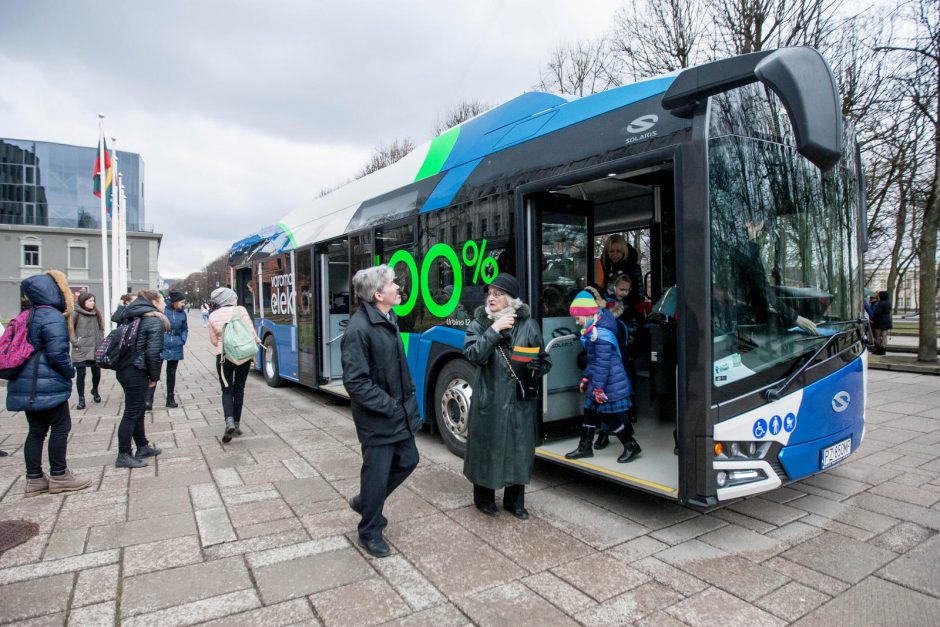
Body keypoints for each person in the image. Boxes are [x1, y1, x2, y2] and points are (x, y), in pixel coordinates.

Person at [341, 265, 421, 558]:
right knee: (376, 475)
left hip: (397, 412)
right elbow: (356, 382)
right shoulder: (359, 329)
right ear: (378, 294)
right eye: (392, 284)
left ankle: (366, 501)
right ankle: (369, 531)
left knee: (409, 459)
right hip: (379, 417)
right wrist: (389, 405)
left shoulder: (388, 318)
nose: (398, 287)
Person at [463, 273, 550, 520]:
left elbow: (544, 360)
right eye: (489, 293)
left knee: (518, 450)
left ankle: (515, 501)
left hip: (519, 400)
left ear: (511, 299)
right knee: (487, 448)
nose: (491, 298)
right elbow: (473, 355)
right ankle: (484, 498)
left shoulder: (529, 325)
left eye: (497, 294)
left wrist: (538, 365)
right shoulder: (479, 324)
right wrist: (494, 330)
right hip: (489, 399)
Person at [7, 270, 91, 496]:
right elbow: (57, 353)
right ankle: (60, 475)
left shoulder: (26, 314)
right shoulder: (52, 316)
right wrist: (69, 370)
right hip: (46, 381)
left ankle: (34, 479)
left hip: (25, 382)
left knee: (35, 431)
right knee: (60, 427)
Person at [565, 290, 641, 463]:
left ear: (586, 314)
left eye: (578, 318)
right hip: (600, 381)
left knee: (609, 417)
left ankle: (630, 445)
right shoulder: (594, 330)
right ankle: (585, 447)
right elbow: (594, 361)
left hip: (608, 383)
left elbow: (603, 365)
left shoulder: (600, 335)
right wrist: (586, 378)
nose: (576, 322)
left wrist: (597, 388)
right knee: (589, 412)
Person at [114, 290, 167, 468]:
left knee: (137, 411)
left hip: (124, 368)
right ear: (154, 302)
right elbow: (153, 353)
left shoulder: (131, 316)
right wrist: (154, 377)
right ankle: (123, 454)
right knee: (131, 412)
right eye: (162, 301)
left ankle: (142, 446)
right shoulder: (153, 321)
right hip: (136, 370)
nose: (165, 304)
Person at [208, 287, 261, 443]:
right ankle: (236, 425)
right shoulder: (241, 310)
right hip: (243, 356)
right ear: (229, 299)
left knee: (226, 390)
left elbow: (213, 341)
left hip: (223, 356)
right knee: (239, 389)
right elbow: (251, 332)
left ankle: (229, 421)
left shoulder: (213, 315)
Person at [148, 290, 188, 409]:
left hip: (176, 344)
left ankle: (170, 398)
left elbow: (185, 329)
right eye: (181, 302)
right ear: (174, 302)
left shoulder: (183, 314)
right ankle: (148, 399)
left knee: (171, 373)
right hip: (162, 343)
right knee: (155, 372)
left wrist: (182, 339)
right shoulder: (163, 311)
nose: (183, 304)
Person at [69, 292, 104, 410]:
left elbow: (101, 328)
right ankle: (81, 398)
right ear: (83, 301)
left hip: (95, 348)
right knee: (81, 374)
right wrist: (75, 342)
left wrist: (101, 341)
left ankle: (95, 390)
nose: (92, 303)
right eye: (90, 301)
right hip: (81, 349)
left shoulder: (96, 313)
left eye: (93, 300)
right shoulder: (75, 314)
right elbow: (70, 329)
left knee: (97, 373)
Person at [596, 234, 645, 300]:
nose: (615, 254)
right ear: (607, 252)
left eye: (618, 251)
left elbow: (639, 294)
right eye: (612, 251)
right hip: (607, 306)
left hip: (629, 307)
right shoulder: (603, 267)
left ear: (623, 251)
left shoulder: (633, 268)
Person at [872, 291, 892, 355]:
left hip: (879, 320)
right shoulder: (889, 303)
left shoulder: (880, 303)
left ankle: (879, 349)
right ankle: (884, 349)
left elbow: (877, 313)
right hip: (887, 320)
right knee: (884, 336)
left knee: (877, 336)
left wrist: (873, 319)